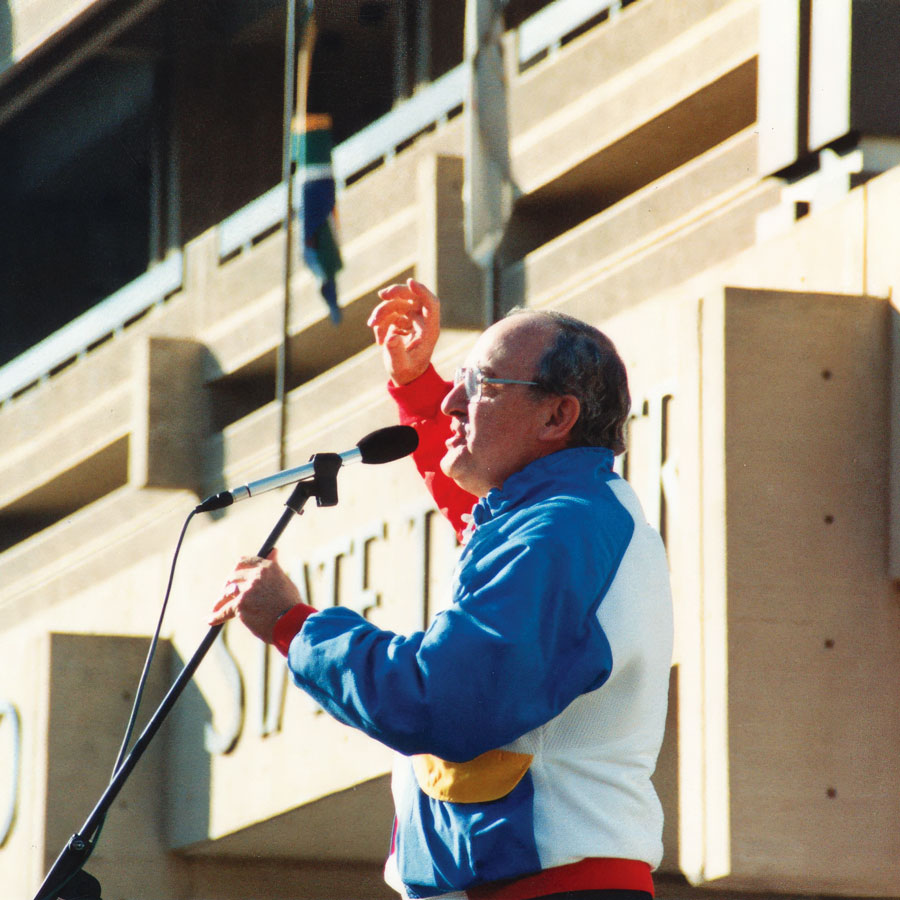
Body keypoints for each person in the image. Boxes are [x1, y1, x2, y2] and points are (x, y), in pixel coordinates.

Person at [210, 279, 674, 900]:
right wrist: (415, 388)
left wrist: (294, 625)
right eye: (457, 381)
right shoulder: (562, 515)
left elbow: (444, 700)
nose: (455, 401)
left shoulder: (560, 528)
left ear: (556, 416)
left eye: (480, 385)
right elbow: (482, 514)